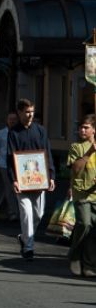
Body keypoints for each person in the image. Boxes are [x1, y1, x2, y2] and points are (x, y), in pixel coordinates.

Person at [8, 98, 55, 261]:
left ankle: (24, 237)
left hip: (39, 179)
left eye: (32, 112)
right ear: (20, 112)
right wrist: (13, 179)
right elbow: (10, 157)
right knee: (26, 213)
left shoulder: (40, 130)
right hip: (21, 181)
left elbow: (47, 153)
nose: (30, 115)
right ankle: (28, 247)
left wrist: (51, 175)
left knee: (39, 214)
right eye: (27, 112)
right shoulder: (13, 132)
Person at [67, 114, 96, 276]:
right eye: (81, 127)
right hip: (82, 193)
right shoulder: (76, 147)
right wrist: (90, 151)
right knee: (84, 224)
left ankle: (90, 264)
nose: (82, 130)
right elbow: (76, 169)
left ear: (94, 130)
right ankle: (75, 256)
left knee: (94, 229)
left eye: (86, 127)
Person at [0, 111, 20, 221]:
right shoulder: (0, 134)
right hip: (4, 165)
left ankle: (4, 208)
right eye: (10, 119)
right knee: (10, 188)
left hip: (18, 165)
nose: (12, 121)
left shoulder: (20, 133)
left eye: (14, 119)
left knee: (15, 188)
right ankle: (13, 212)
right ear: (6, 121)